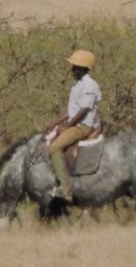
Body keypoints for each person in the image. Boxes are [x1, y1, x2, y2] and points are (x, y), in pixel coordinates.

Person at [44, 49, 102, 200]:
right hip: (75, 124)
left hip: (82, 127)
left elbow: (83, 110)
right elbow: (71, 110)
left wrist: (67, 126)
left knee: (53, 148)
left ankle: (66, 189)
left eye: (74, 67)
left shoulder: (89, 85)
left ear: (83, 68)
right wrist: (54, 123)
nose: (72, 70)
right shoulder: (77, 85)